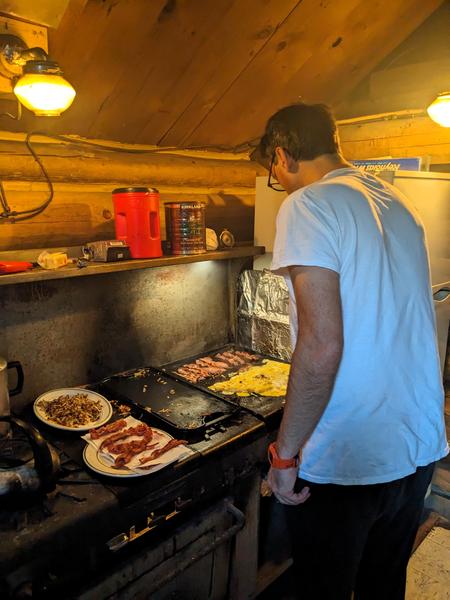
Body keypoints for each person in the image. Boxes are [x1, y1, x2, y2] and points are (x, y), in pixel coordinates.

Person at [259, 102, 448, 599]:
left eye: (275, 172)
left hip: (350, 458)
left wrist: (285, 456)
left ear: (283, 155)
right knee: (383, 584)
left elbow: (321, 344)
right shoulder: (397, 203)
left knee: (324, 588)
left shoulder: (307, 205)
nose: (281, 182)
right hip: (415, 444)